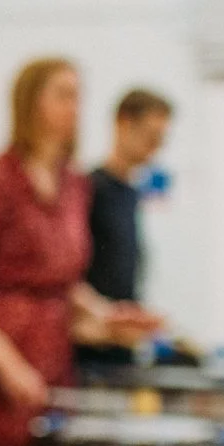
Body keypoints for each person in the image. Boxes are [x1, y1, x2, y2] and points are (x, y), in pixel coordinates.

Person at [0, 58, 158, 446]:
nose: (74, 107)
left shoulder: (75, 184)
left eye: (78, 96)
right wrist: (8, 365)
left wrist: (107, 315)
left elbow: (63, 281)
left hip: (54, 365)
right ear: (30, 102)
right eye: (63, 94)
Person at [75, 87, 172, 372]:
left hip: (122, 345)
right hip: (89, 346)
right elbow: (67, 273)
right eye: (150, 136)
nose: (155, 147)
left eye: (161, 140)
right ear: (123, 123)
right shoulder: (89, 189)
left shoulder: (131, 193)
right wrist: (103, 313)